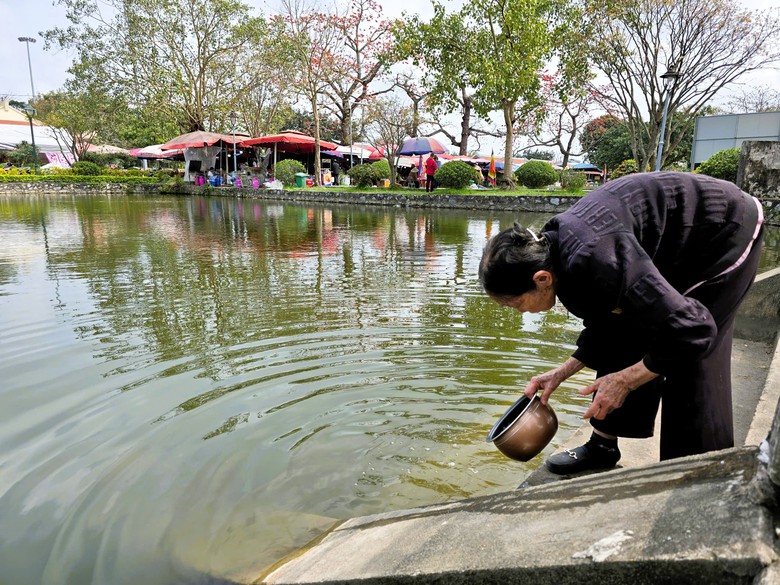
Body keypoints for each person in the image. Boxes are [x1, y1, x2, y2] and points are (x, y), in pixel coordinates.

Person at [478, 172, 764, 475]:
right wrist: (561, 373)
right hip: (673, 244)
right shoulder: (560, 253)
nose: (520, 313)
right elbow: (607, 323)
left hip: (725, 230)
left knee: (688, 355)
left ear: (541, 279)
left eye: (515, 303)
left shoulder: (596, 256)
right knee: (626, 318)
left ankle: (701, 473)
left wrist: (626, 380)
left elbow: (693, 331)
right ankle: (602, 447)